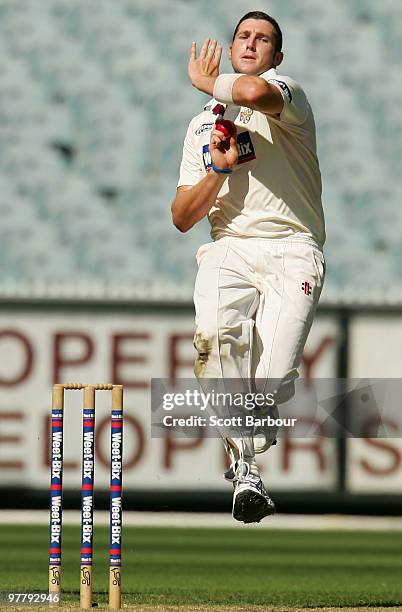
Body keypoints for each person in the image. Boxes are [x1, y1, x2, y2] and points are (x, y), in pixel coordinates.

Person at [171, 12, 326, 523]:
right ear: (234, 47)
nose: (252, 44)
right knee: (214, 345)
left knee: (273, 380)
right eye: (244, 37)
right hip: (229, 246)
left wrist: (203, 80)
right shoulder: (201, 126)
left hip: (292, 247)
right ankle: (246, 470)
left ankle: (246, 447)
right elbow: (182, 217)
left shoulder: (288, 97)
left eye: (263, 40)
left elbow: (255, 95)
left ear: (277, 57)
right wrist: (218, 169)